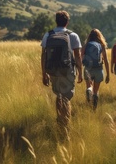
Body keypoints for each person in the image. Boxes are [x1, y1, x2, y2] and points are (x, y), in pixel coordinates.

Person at [41, 11, 83, 139]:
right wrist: (80, 72)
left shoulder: (48, 35)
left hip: (53, 70)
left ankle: (60, 120)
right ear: (67, 22)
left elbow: (44, 56)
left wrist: (44, 74)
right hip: (67, 71)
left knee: (59, 95)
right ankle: (65, 128)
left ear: (56, 21)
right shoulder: (73, 36)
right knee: (66, 98)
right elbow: (78, 56)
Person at [81, 29, 110, 110]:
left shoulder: (86, 45)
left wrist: (79, 71)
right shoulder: (101, 45)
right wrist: (108, 74)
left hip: (88, 69)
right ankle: (93, 109)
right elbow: (106, 60)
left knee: (89, 86)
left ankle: (89, 90)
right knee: (96, 90)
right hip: (98, 70)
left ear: (89, 36)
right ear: (99, 36)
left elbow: (81, 58)